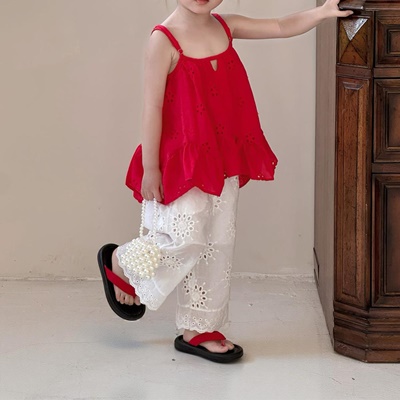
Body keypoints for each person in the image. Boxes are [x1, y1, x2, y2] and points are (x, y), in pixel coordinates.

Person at [98, 0, 353, 363]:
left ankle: (200, 327)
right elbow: (151, 108)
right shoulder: (163, 40)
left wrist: (323, 11)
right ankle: (123, 260)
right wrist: (150, 167)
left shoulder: (225, 25)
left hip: (220, 154)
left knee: (217, 242)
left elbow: (280, 26)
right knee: (184, 236)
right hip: (183, 158)